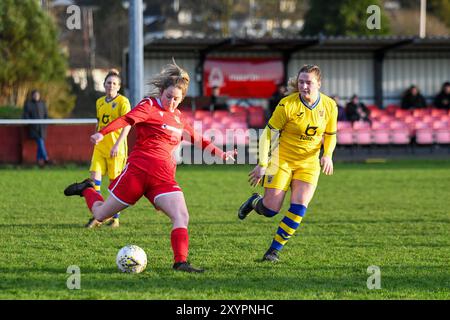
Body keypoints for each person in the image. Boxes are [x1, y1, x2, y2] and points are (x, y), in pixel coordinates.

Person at [64, 60, 236, 273]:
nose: (172, 102)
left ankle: (180, 262)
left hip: (162, 180)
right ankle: (87, 188)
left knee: (181, 216)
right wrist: (103, 132)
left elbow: (198, 138)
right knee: (100, 215)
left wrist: (222, 153)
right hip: (136, 174)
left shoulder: (179, 118)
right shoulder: (149, 106)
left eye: (177, 99)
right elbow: (127, 120)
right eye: (169, 97)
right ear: (161, 91)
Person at [237, 64, 337, 262]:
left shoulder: (329, 106)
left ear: (319, 83)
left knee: (299, 206)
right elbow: (268, 134)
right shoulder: (287, 105)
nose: (304, 86)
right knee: (270, 210)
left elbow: (330, 134)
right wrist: (262, 163)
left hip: (308, 163)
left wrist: (328, 154)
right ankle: (254, 202)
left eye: (309, 82)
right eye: (301, 82)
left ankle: (273, 251)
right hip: (281, 159)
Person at [85, 69, 131, 229]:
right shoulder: (99, 102)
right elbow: (99, 123)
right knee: (94, 182)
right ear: (104, 84)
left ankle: (114, 219)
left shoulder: (123, 102)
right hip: (100, 147)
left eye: (114, 83)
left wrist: (118, 145)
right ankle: (98, 215)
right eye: (108, 83)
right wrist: (96, 134)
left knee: (114, 185)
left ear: (119, 87)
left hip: (116, 149)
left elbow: (127, 126)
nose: (111, 85)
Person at [22, 90, 51, 167]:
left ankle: (39, 161)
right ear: (32, 96)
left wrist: (45, 125)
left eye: (37, 95)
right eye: (35, 95)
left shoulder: (42, 104)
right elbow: (25, 116)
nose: (36, 96)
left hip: (42, 128)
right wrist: (30, 124)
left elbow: (46, 115)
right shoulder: (28, 104)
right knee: (40, 141)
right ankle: (45, 157)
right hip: (33, 128)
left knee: (40, 143)